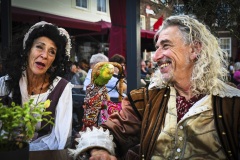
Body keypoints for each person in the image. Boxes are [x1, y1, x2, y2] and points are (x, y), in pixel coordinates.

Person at [70, 15, 240, 160]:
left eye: (166, 46)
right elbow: (108, 130)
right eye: (157, 47)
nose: (157, 56)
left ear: (195, 49)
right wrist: (101, 149)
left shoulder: (231, 102)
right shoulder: (147, 98)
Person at [0, 21, 73, 151]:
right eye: (39, 47)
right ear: (27, 50)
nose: (44, 55)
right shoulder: (5, 83)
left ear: (54, 60)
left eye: (52, 52)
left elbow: (61, 138)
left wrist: (29, 150)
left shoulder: (62, 88)